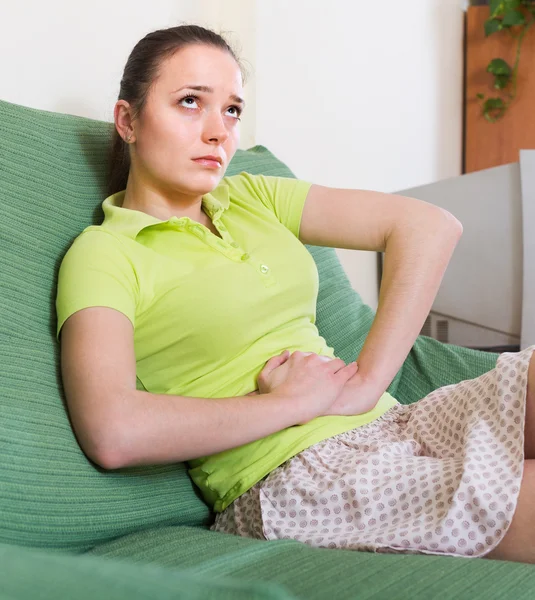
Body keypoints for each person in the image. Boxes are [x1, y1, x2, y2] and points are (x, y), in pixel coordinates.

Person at [55, 24, 535, 564]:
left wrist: (368, 381)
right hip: (293, 478)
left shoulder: (249, 193)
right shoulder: (104, 252)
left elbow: (429, 227)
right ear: (128, 121)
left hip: (393, 422)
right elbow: (112, 431)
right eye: (191, 102)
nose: (219, 132)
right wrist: (286, 404)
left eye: (232, 110)